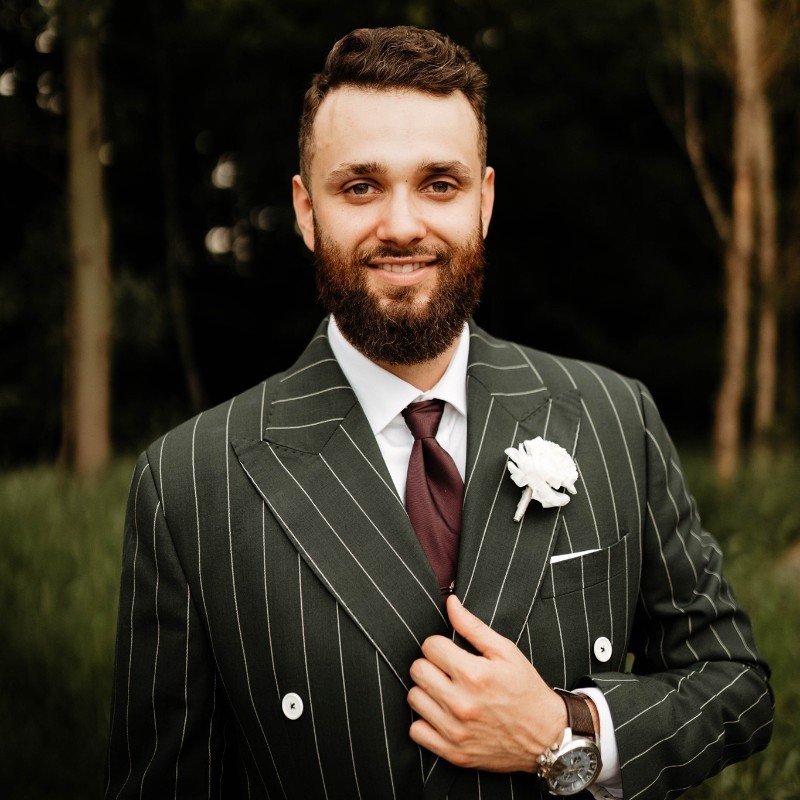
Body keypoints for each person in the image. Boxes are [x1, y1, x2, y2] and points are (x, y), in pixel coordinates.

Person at [105, 26, 773, 800]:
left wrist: (565, 730)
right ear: (305, 209)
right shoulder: (189, 485)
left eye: (439, 184)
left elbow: (735, 685)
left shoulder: (614, 418)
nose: (401, 225)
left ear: (484, 201)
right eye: (361, 187)